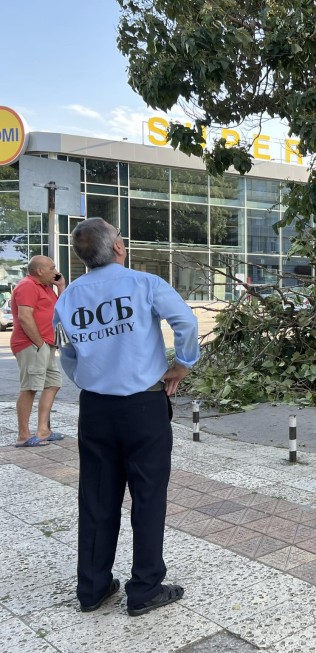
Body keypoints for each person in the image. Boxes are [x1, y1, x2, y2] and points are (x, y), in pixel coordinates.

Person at [53, 218, 200, 616]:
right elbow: (186, 321)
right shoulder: (144, 284)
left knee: (97, 498)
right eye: (121, 238)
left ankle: (93, 588)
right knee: (148, 497)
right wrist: (182, 364)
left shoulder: (66, 300)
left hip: (96, 409)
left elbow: (66, 354)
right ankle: (145, 588)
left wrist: (91, 378)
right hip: (144, 407)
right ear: (117, 248)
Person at [10, 256, 66, 447]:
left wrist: (61, 287)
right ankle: (23, 436)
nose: (55, 271)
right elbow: (25, 318)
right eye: (52, 268)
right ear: (40, 271)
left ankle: (43, 431)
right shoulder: (27, 286)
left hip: (46, 344)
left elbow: (61, 310)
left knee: (53, 383)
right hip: (31, 345)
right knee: (30, 387)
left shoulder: (45, 288)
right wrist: (39, 344)